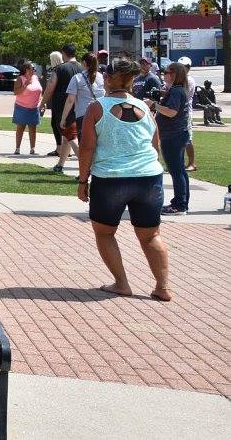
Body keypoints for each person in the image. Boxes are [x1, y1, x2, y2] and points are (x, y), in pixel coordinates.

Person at [77, 57, 171, 301]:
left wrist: (82, 180)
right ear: (132, 80)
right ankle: (162, 287)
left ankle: (122, 283)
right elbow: (155, 144)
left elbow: (87, 147)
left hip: (111, 178)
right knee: (151, 235)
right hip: (148, 177)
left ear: (107, 79)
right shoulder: (144, 107)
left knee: (105, 232)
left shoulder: (97, 107)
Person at [150, 62, 191, 215]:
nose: (164, 74)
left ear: (173, 74)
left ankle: (179, 205)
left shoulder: (176, 91)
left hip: (173, 136)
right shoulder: (178, 90)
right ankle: (182, 203)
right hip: (178, 134)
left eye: (166, 72)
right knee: (180, 170)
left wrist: (155, 105)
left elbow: (172, 112)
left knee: (176, 171)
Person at [55, 53, 106, 172]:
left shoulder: (77, 78)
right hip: (101, 113)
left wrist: (63, 118)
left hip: (84, 115)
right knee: (99, 145)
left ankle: (85, 172)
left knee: (85, 146)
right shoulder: (101, 77)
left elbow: (70, 100)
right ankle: (98, 170)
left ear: (84, 63)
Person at [11, 59, 44, 155]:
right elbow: (16, 92)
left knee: (33, 128)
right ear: (26, 69)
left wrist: (42, 102)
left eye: (34, 69)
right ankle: (17, 148)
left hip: (34, 108)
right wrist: (25, 85)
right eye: (32, 68)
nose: (34, 70)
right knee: (20, 127)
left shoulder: (35, 78)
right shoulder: (20, 78)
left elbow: (39, 91)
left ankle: (32, 149)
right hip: (21, 107)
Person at [177, 56, 197, 171]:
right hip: (179, 112)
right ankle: (181, 163)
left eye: (184, 67)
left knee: (187, 138)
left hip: (186, 113)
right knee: (180, 139)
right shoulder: (180, 79)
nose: (182, 69)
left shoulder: (188, 80)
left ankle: (192, 163)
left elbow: (183, 95)